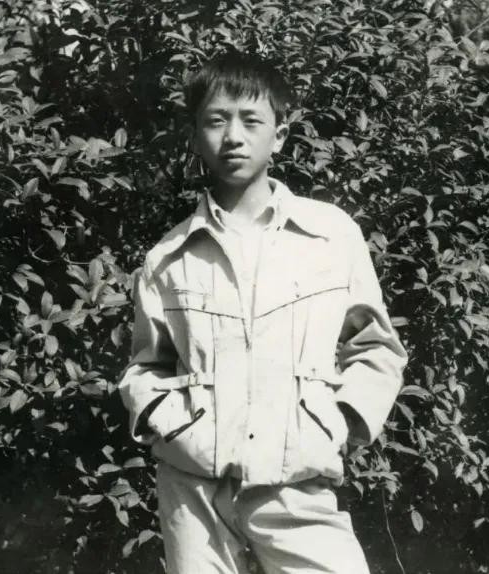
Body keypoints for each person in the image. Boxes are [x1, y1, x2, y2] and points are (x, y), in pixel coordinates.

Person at [118, 50, 408, 574]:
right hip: (195, 494)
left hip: (297, 485)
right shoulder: (168, 258)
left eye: (251, 120)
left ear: (279, 135)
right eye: (216, 121)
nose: (233, 136)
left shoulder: (330, 235)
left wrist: (338, 424)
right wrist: (174, 430)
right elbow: (147, 367)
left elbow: (376, 348)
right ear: (195, 137)